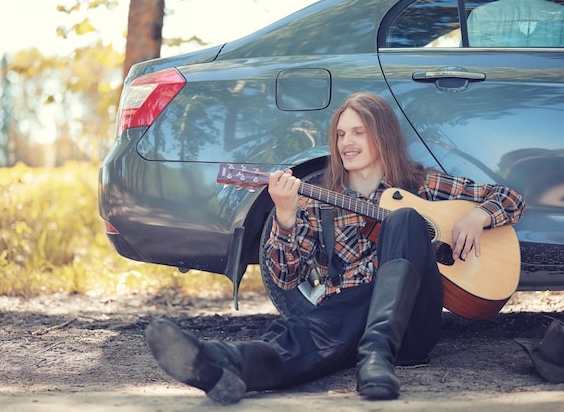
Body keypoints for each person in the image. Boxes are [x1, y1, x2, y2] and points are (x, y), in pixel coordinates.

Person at [144, 92, 526, 404]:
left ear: (383, 136)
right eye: (341, 134)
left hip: (412, 326)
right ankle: (218, 364)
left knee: (405, 218)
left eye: (358, 132)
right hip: (345, 318)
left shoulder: (422, 185)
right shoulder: (320, 200)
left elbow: (510, 199)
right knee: (301, 334)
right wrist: (285, 215)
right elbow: (285, 276)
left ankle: (376, 353)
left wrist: (477, 218)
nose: (346, 142)